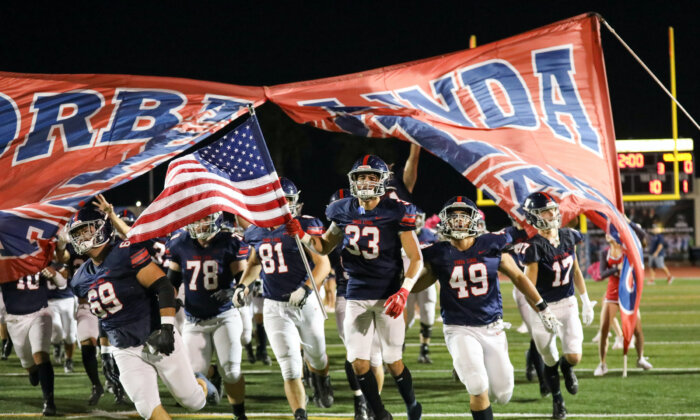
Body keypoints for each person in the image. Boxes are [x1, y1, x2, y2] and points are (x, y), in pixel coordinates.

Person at [287, 155, 424, 420]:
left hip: (388, 295)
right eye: (360, 177)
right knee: (359, 362)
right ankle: (380, 412)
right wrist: (303, 236)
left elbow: (416, 259)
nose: (365, 182)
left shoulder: (396, 211)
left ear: (383, 181)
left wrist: (404, 291)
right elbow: (324, 246)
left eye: (371, 177)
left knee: (393, 362)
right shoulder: (342, 209)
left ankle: (412, 405)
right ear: (352, 181)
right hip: (355, 294)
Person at [414, 196, 560, 420]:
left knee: (502, 394)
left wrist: (543, 308)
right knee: (477, 383)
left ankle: (474, 370)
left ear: (474, 220)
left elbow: (520, 277)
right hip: (458, 328)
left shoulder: (492, 244)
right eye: (453, 216)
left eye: (463, 216)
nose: (459, 221)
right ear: (444, 221)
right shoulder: (438, 252)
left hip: (492, 327)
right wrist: (403, 284)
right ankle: (468, 369)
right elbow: (418, 282)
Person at [68, 205, 218, 419]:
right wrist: (106, 351)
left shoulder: (125, 251)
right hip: (124, 349)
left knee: (192, 401)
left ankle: (201, 382)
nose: (81, 237)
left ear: (102, 228)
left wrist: (167, 327)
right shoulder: (79, 279)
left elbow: (164, 286)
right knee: (147, 408)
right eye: (77, 234)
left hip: (155, 336)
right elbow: (103, 314)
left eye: (86, 230)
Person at [235, 177, 333, 420]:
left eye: (286, 201)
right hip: (274, 305)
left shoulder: (303, 225)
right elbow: (254, 264)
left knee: (318, 357)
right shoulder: (256, 230)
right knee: (289, 368)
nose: (281, 206)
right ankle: (300, 414)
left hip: (306, 302)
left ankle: (322, 378)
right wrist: (242, 286)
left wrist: (307, 289)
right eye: (276, 201)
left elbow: (323, 264)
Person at [166, 212, 250, 420]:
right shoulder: (179, 244)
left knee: (231, 371)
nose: (199, 224)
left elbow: (244, 280)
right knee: (192, 375)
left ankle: (240, 414)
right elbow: (172, 282)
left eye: (204, 219)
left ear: (217, 219)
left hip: (225, 316)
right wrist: (170, 299)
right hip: (194, 320)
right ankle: (213, 382)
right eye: (195, 219)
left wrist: (236, 290)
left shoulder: (229, 242)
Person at [521, 192, 595, 420]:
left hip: (568, 303)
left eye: (553, 209)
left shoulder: (568, 236)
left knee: (573, 356)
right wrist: (542, 311)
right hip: (545, 308)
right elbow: (527, 288)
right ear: (534, 217)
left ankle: (568, 369)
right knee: (549, 358)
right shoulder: (534, 247)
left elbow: (576, 271)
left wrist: (585, 301)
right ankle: (558, 400)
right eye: (545, 211)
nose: (552, 214)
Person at [327, 188, 377, 420]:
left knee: (375, 356)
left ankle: (372, 402)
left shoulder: (374, 228)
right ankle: (360, 399)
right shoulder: (333, 235)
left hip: (374, 294)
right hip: (346, 296)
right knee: (353, 354)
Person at [1, 268, 66, 416]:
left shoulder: (39, 256)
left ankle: (49, 402)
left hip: (40, 312)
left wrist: (54, 274)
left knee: (41, 354)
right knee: (29, 365)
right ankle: (33, 370)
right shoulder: (6, 259)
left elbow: (62, 284)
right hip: (15, 318)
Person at [593, 222, 652, 376]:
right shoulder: (605, 252)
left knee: (637, 330)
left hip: (628, 294)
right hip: (612, 295)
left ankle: (640, 358)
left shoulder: (628, 250)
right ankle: (602, 364)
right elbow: (602, 273)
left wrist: (627, 221)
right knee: (604, 329)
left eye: (610, 232)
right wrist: (615, 269)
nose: (607, 234)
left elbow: (643, 237)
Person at [504, 217, 549, 398]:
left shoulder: (536, 231)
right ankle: (543, 381)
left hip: (545, 287)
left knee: (540, 335)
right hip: (523, 288)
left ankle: (530, 359)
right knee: (536, 333)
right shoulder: (508, 234)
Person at [404, 208, 438, 364]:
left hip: (426, 281)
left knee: (428, 313)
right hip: (406, 281)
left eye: (418, 217)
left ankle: (424, 350)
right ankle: (398, 346)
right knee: (405, 317)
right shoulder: (400, 234)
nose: (416, 220)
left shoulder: (431, 235)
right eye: (413, 217)